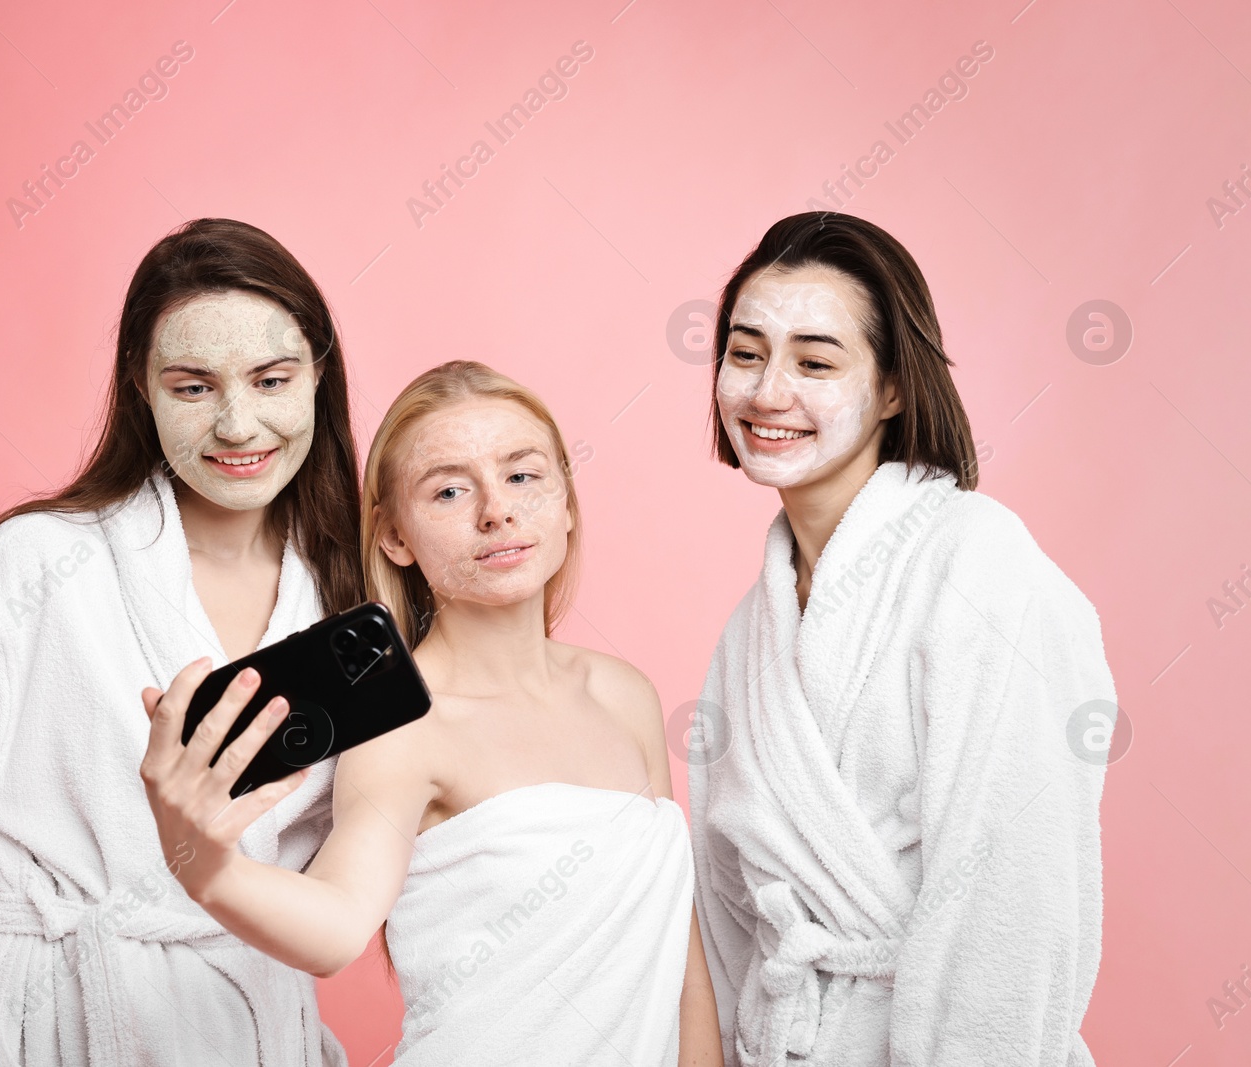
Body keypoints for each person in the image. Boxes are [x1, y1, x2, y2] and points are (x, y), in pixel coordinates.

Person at [0, 218, 362, 1067]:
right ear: (140, 387)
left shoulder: (347, 606)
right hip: (21, 1018)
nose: (239, 424)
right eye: (193, 386)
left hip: (233, 1024)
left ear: (318, 375)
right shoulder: (29, 567)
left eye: (272, 378)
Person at [139, 360, 724, 1065]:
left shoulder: (626, 693)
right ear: (395, 537)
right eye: (448, 489)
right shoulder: (404, 728)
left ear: (568, 500)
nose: (496, 510)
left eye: (523, 475)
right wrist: (204, 866)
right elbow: (339, 923)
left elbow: (682, 964)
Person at [687, 211, 1114, 1066]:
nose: (769, 392)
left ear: (891, 388)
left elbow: (1014, 898)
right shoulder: (749, 633)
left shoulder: (980, 565)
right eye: (744, 352)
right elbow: (727, 911)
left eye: (815, 361)